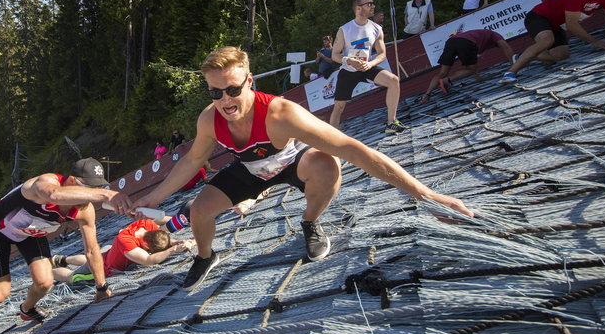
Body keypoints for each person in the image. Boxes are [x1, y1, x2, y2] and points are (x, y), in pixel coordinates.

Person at [109, 46, 473, 292]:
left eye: (232, 90)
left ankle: (310, 222)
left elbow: (355, 149)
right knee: (199, 211)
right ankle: (206, 256)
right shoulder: (210, 119)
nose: (225, 101)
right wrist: (150, 199)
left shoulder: (282, 113)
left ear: (249, 81)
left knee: (329, 165)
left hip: (289, 161)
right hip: (250, 170)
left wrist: (425, 194)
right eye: (215, 93)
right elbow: (189, 161)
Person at [0, 158, 128, 334]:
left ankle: (27, 308)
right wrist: (106, 195)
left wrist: (101, 288)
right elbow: (53, 195)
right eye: (87, 189)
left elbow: (92, 249)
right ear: (71, 180)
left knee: (45, 283)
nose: (88, 196)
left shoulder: (84, 210)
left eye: (95, 190)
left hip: (31, 234)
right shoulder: (43, 183)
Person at [328, 0, 406, 134]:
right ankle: (333, 134)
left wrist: (371, 64)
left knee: (393, 80)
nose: (373, 6)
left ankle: (391, 122)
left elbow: (382, 53)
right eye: (369, 4)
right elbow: (335, 55)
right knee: (339, 106)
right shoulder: (344, 29)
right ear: (359, 9)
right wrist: (349, 60)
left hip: (366, 67)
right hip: (348, 70)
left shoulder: (376, 28)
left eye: (373, 3)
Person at [52, 218, 195, 284]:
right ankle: (48, 272)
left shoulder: (147, 226)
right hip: (104, 268)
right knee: (72, 277)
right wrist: (173, 250)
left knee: (89, 258)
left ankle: (63, 260)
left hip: (109, 253)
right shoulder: (128, 243)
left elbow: (164, 239)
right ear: (146, 245)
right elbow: (148, 260)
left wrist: (179, 242)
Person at [420, 29, 515, 102]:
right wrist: (513, 67)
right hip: (465, 42)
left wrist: (477, 77)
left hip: (450, 41)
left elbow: (474, 61)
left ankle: (427, 94)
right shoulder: (495, 35)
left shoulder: (479, 36)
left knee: (443, 72)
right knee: (470, 70)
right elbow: (506, 47)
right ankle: (446, 81)